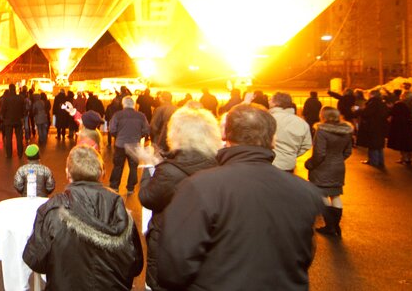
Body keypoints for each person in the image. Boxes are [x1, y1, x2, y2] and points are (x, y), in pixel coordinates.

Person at [156, 104, 324, 290]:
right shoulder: (305, 191)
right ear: (273, 140)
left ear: (225, 137)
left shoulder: (200, 186)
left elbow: (173, 265)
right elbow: (304, 254)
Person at [23, 146, 143, 290]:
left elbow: (34, 259)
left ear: (68, 173)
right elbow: (136, 265)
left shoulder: (53, 209)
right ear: (102, 173)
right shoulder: (120, 211)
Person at [138, 107, 219, 291]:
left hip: (169, 248)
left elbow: (148, 197)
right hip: (205, 247)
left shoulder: (170, 170)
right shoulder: (218, 165)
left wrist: (149, 168)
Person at [306, 106, 353, 238]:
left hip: (323, 168)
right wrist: (338, 159)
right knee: (336, 195)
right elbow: (348, 151)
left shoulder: (321, 131)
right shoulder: (346, 131)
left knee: (322, 194)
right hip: (338, 167)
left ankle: (330, 225)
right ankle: (335, 225)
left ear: (323, 116)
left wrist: (310, 164)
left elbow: (319, 153)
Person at [108, 96, 149, 193]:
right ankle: (130, 188)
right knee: (133, 167)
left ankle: (114, 186)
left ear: (123, 104)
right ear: (134, 105)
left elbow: (112, 129)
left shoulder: (118, 115)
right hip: (134, 145)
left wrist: (117, 136)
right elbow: (147, 129)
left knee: (118, 166)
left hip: (120, 145)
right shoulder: (141, 116)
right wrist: (139, 136)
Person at [269, 91, 312, 172]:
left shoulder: (267, 119)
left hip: (269, 163)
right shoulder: (301, 122)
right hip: (289, 164)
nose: (268, 101)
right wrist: (291, 154)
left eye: (270, 99)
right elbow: (307, 145)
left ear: (275, 103)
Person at [356, 90, 389, 168]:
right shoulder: (382, 103)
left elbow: (366, 113)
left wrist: (359, 110)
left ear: (372, 95)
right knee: (379, 145)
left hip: (372, 126)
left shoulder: (372, 103)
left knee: (372, 144)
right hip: (380, 126)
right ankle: (380, 161)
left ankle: (373, 161)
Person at [387, 92, 412, 166]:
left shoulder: (399, 104)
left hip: (402, 126)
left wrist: (390, 107)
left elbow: (393, 113)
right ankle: (410, 158)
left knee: (402, 143)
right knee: (411, 143)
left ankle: (403, 158)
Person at [0, 84, 26, 158]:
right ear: (15, 89)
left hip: (8, 121)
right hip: (18, 120)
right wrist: (22, 116)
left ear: (9, 89)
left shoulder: (6, 98)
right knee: (19, 138)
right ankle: (20, 153)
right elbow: (24, 109)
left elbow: (3, 109)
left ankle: (9, 154)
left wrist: (3, 117)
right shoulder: (20, 98)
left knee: (8, 138)